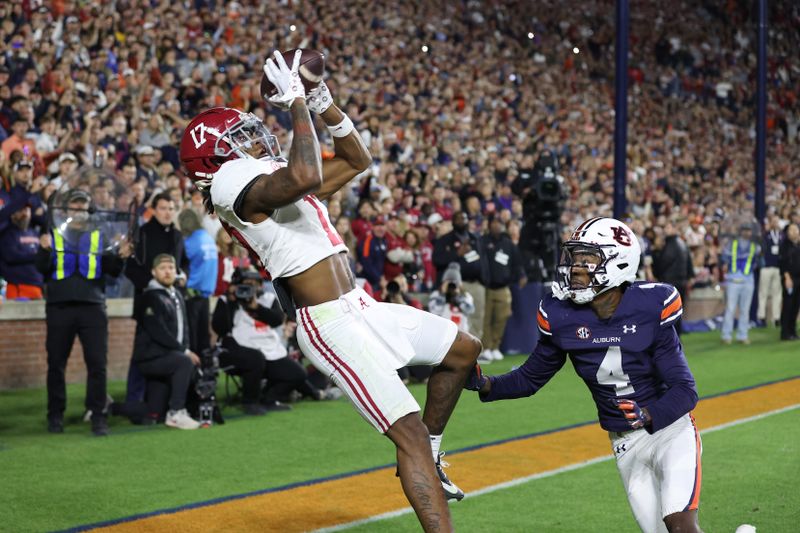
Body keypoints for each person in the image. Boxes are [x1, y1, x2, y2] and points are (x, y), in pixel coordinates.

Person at [179, 50, 481, 530]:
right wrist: (297, 103)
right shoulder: (229, 184)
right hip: (328, 323)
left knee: (464, 351)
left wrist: (323, 103)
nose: (253, 143)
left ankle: (432, 454)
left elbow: (356, 159)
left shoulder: (263, 181)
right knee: (409, 437)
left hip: (359, 305)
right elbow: (306, 175)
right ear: (214, 157)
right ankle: (425, 463)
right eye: (238, 139)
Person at [465, 217, 702, 533]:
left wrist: (648, 413)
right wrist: (487, 384)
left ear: (618, 262)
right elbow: (531, 377)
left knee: (679, 524)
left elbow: (685, 389)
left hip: (670, 431)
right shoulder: (560, 313)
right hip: (625, 443)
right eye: (574, 258)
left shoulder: (649, 306)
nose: (575, 267)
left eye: (587, 259)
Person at [35, 189, 133, 436]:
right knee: (56, 364)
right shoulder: (53, 235)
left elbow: (111, 270)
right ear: (66, 210)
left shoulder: (100, 237)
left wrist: (120, 257)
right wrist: (44, 250)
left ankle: (98, 415)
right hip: (60, 307)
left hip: (93, 307)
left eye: (83, 206)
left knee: (97, 365)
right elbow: (41, 268)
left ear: (89, 210)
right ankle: (55, 415)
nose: (78, 210)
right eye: (74, 206)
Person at [131, 253, 202, 430]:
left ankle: (109, 407)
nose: (168, 272)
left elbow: (184, 328)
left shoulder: (176, 294)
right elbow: (158, 332)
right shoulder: (149, 296)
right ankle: (176, 412)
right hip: (151, 358)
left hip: (168, 356)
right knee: (184, 362)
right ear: (154, 272)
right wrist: (185, 351)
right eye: (162, 269)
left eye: (171, 268)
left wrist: (184, 347)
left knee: (153, 412)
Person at [480, 215, 526, 361]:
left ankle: (495, 347)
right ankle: (486, 347)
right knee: (486, 319)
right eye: (494, 222)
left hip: (503, 287)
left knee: (501, 318)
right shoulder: (482, 242)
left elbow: (517, 262)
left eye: (499, 223)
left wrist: (521, 275)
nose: (496, 226)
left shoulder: (508, 243)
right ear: (489, 224)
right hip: (486, 287)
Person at [178, 208, 218, 354]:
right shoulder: (208, 238)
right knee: (203, 337)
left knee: (192, 338)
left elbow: (179, 264)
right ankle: (205, 371)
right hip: (205, 294)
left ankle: (194, 372)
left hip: (191, 293)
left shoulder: (189, 242)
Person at [720, 223, 761, 345]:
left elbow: (759, 261)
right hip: (733, 280)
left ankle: (742, 335)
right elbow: (723, 258)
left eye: (749, 230)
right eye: (745, 230)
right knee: (730, 309)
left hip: (748, 280)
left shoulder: (756, 246)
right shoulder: (732, 244)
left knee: (745, 309)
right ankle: (726, 335)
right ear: (741, 231)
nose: (747, 233)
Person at [758, 215, 783, 327]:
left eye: (777, 221)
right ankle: (762, 317)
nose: (775, 223)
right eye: (773, 221)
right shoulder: (765, 235)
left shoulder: (782, 236)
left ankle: (776, 317)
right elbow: (761, 250)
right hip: (766, 267)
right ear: (770, 222)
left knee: (777, 293)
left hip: (778, 267)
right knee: (763, 292)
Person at [778, 223, 800, 341]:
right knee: (788, 305)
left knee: (796, 305)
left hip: (799, 278)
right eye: (791, 230)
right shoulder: (785, 246)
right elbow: (782, 263)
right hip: (789, 278)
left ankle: (793, 330)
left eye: (796, 229)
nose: (794, 232)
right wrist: (787, 277)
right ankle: (785, 332)